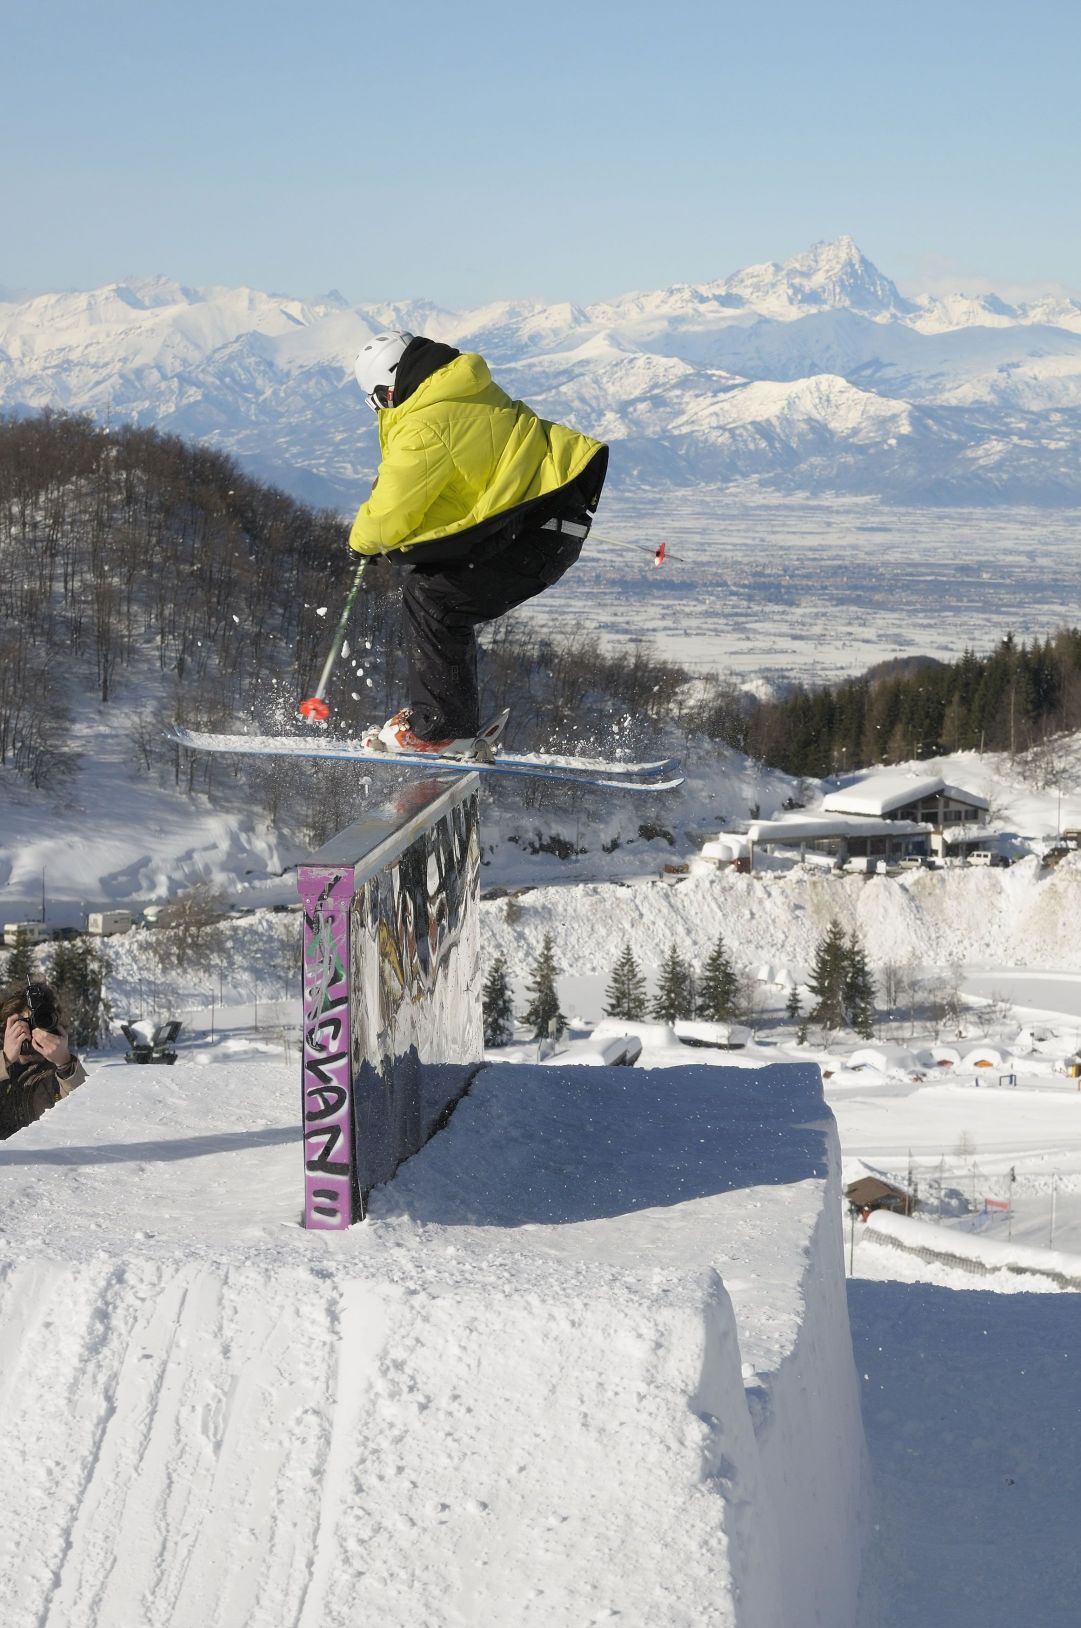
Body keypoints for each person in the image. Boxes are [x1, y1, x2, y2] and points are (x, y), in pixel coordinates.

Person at [348, 331, 609, 756]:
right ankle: (445, 721)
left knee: (433, 598)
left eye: (376, 400)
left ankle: (442, 729)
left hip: (536, 531)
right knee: (436, 590)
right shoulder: (465, 391)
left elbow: (392, 511)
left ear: (391, 387)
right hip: (544, 526)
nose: (378, 411)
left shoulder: (425, 423)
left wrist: (361, 542)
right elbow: (458, 499)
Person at [0, 979, 87, 1140]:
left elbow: (86, 1114)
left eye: (39, 1022)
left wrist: (65, 1064)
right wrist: (4, 1060)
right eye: (24, 1024)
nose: (32, 1032)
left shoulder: (58, 1073)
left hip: (45, 1160)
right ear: (7, 1027)